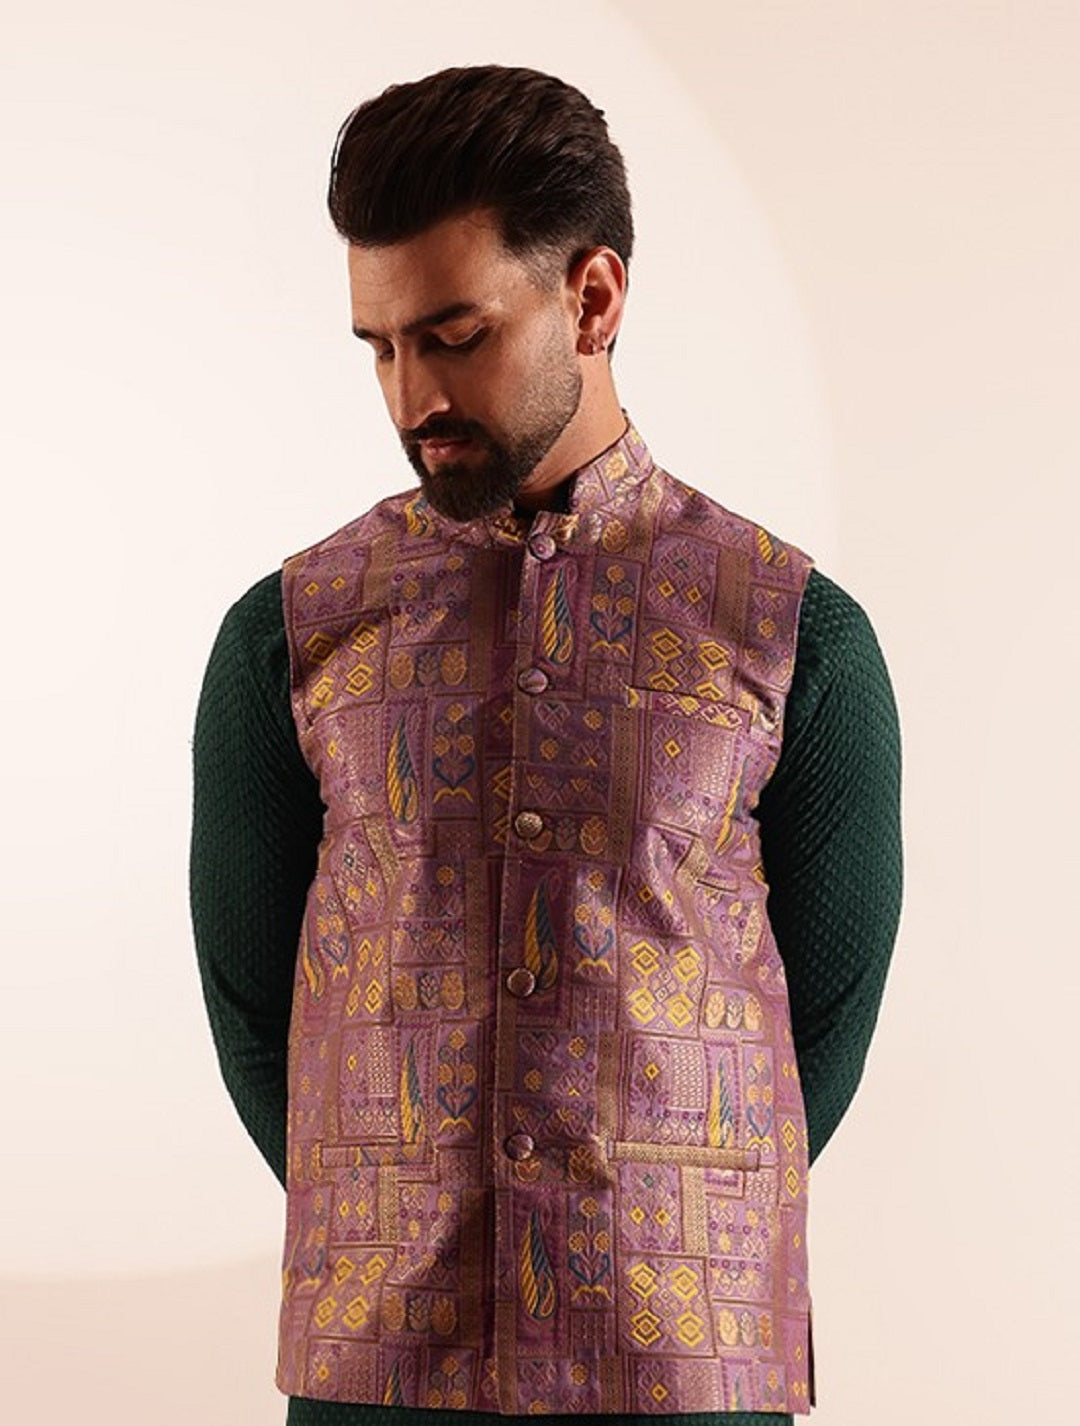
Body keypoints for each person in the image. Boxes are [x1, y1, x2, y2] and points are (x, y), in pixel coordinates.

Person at [190, 64, 902, 1426]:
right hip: (383, 1370)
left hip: (681, 1369)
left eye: (455, 336)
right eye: (380, 346)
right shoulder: (289, 636)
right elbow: (249, 1006)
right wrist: (406, 1199)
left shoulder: (792, 633)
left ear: (592, 299)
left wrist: (650, 1209)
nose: (412, 394)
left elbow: (822, 1024)